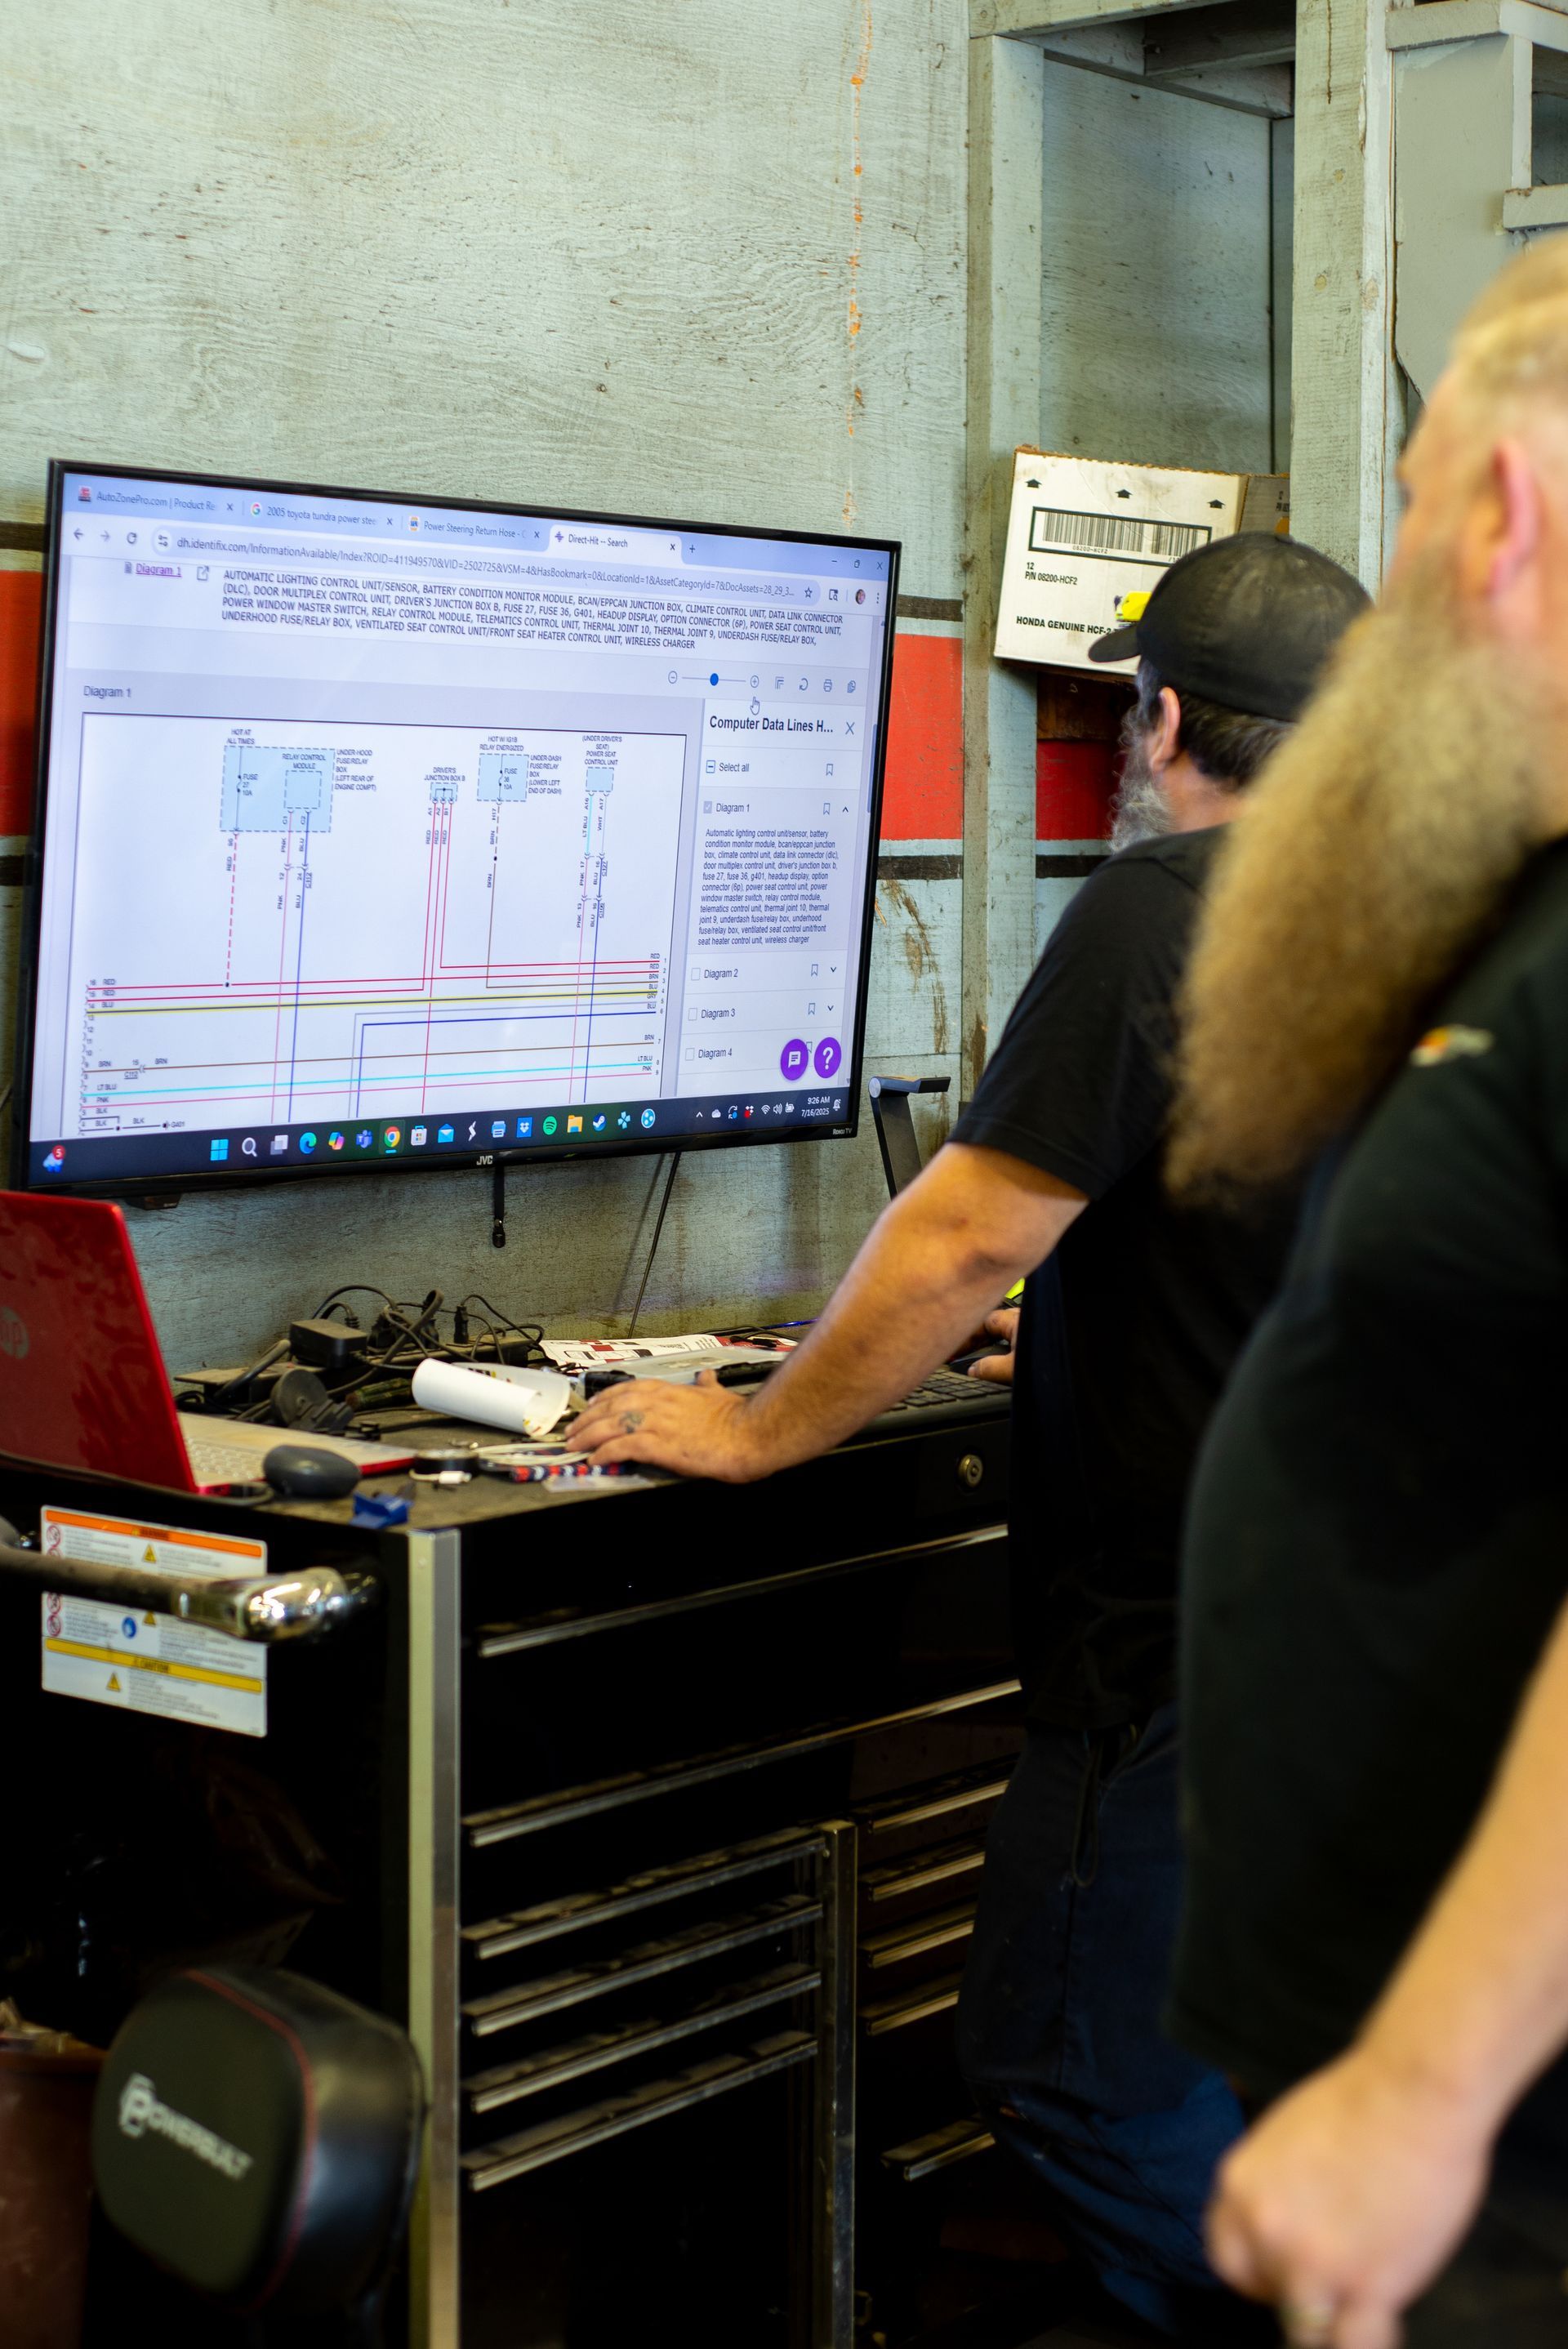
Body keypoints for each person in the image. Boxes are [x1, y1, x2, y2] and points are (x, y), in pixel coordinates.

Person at [573, 533, 1368, 2338]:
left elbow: (960, 1235)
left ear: (1164, 721)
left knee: (1068, 2069)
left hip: (1186, 1676)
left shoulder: (1165, 911)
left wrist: (760, 1427)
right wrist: (1090, 1331)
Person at [1159, 234, 1568, 2349]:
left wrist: (1421, 2091)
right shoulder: (1523, 909)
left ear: (1507, 516)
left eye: (1410, 504)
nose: (1388, 574)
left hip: (1497, 2154)